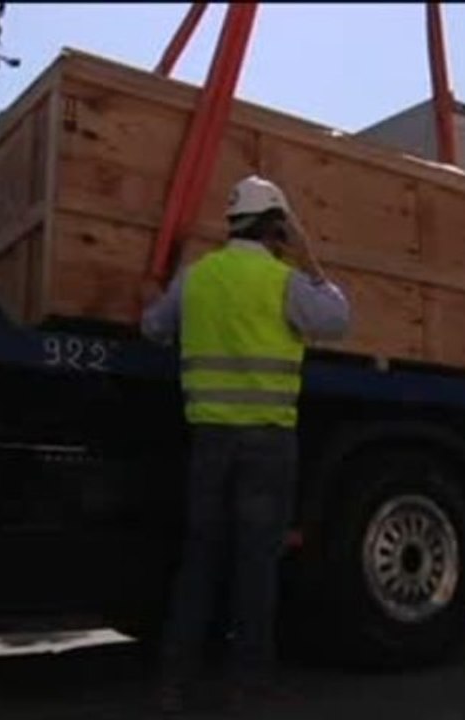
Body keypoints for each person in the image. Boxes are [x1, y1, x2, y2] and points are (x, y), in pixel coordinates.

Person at [140, 175, 351, 713]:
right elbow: (338, 319)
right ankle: (248, 685)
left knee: (201, 562)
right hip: (267, 444)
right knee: (255, 565)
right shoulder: (284, 283)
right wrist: (310, 258)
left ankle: (173, 683)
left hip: (209, 442)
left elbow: (153, 329)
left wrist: (152, 300)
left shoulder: (196, 278)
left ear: (232, 223)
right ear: (276, 227)